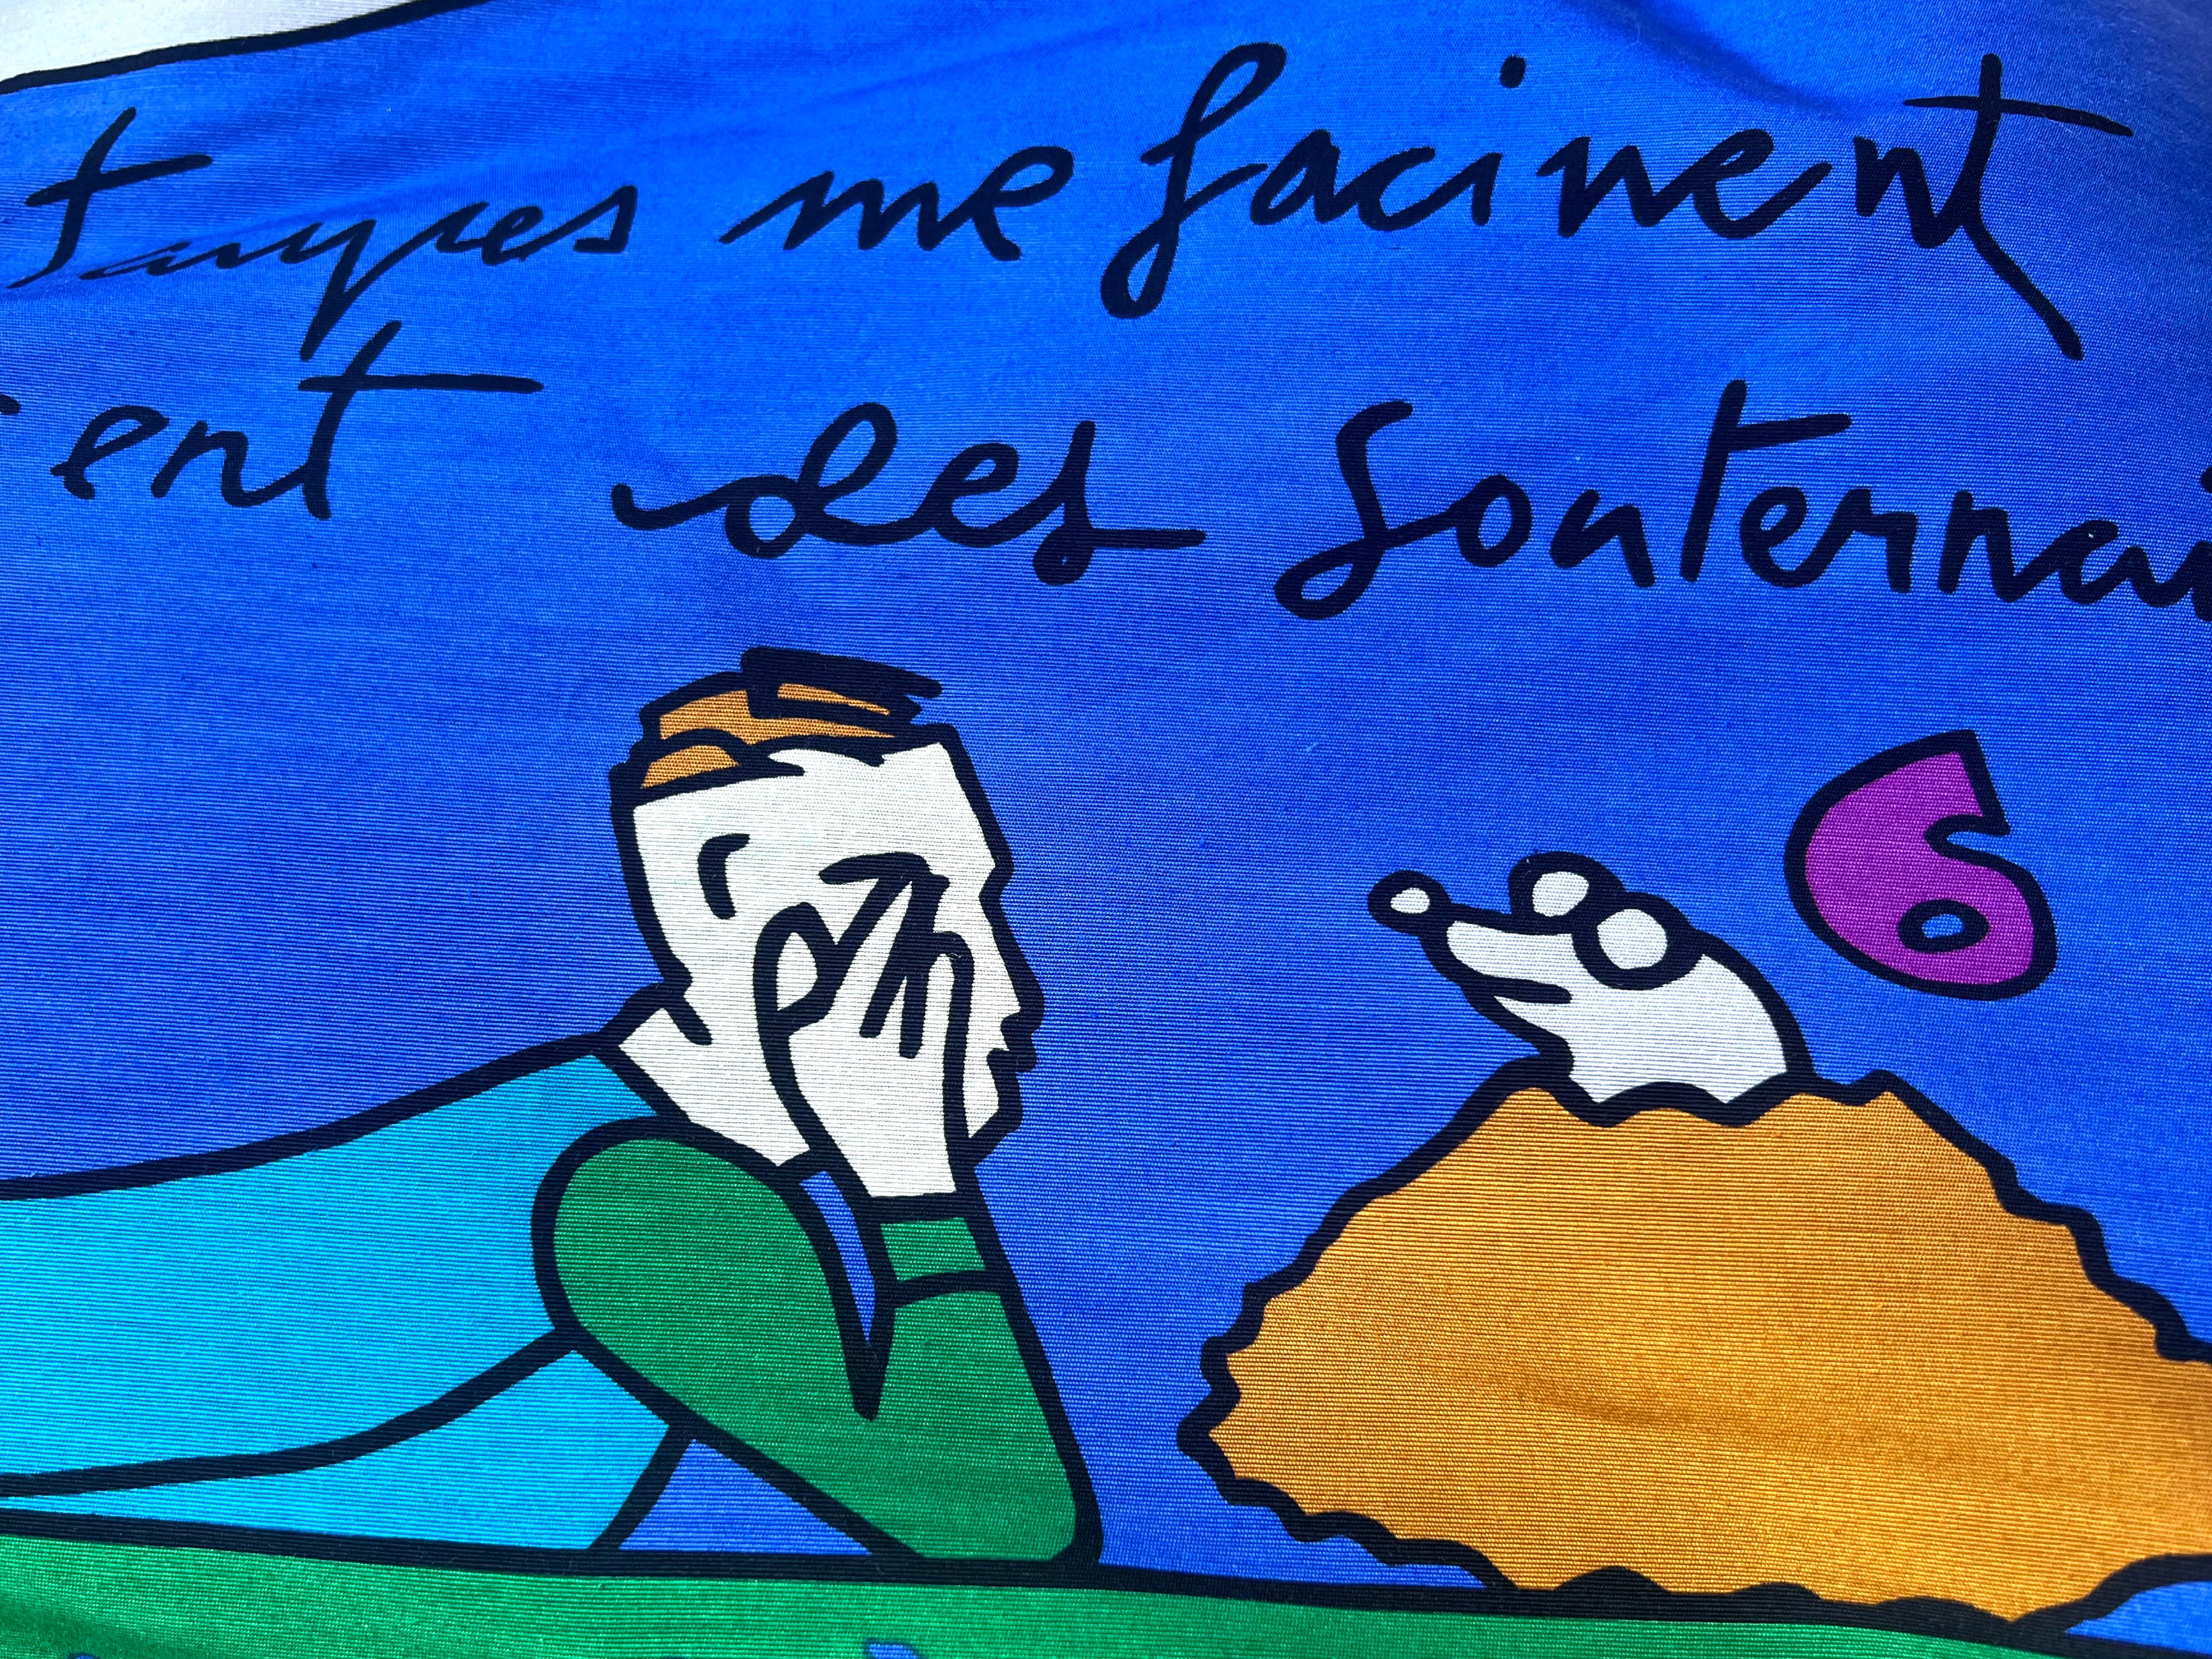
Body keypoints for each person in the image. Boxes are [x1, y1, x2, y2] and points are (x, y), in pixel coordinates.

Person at [0, 648, 1095, 1562]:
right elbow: (999, 1533)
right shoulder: (639, 1195)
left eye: (982, 901)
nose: (1005, 985)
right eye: (920, 900)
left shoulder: (584, 1152)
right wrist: (910, 1180)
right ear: (718, 888)